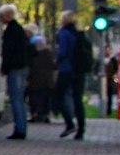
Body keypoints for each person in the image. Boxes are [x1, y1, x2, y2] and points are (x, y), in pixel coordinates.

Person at [54, 11, 90, 139]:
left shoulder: (64, 33)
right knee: (77, 100)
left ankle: (69, 123)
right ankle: (81, 130)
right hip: (79, 70)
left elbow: (62, 51)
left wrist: (56, 61)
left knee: (58, 96)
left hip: (66, 69)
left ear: (64, 20)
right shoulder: (78, 34)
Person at [0, 4, 31, 139]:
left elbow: (8, 51)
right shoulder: (19, 30)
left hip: (15, 68)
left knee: (16, 98)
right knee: (19, 98)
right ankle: (21, 127)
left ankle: (20, 129)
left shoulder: (11, 31)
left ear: (7, 16)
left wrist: (4, 67)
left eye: (1, 16)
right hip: (22, 67)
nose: (0, 19)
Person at [27, 33, 56, 123]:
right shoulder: (48, 53)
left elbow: (30, 67)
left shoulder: (32, 54)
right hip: (47, 82)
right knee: (45, 99)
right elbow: (54, 65)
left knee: (34, 99)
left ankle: (34, 114)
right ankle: (45, 115)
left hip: (34, 82)